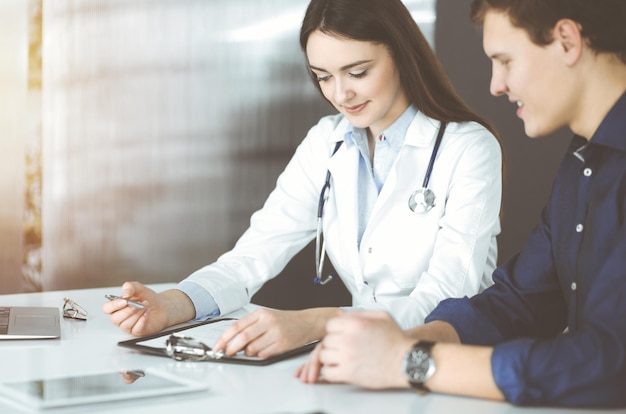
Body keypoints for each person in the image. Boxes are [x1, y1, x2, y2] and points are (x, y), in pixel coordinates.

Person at [102, 0, 502, 359]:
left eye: (358, 72)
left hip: (450, 362)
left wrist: (319, 323)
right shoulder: (326, 142)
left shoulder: (468, 148)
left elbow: (447, 299)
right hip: (365, 359)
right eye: (323, 76)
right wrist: (172, 305)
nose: (341, 94)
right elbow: (251, 258)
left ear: (401, 55)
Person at [297, 0, 626, 408]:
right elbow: (520, 301)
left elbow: (611, 363)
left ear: (566, 41)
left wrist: (411, 363)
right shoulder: (583, 164)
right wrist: (395, 342)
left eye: (504, 60)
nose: (496, 85)